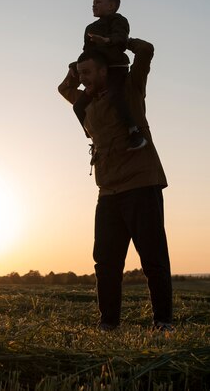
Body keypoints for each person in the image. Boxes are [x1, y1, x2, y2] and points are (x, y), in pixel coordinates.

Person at [58, 38, 173, 331]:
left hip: (141, 184)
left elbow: (146, 51)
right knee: (106, 263)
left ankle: (162, 321)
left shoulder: (129, 91)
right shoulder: (87, 101)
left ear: (104, 71)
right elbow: (64, 89)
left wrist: (120, 43)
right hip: (107, 191)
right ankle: (108, 323)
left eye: (87, 73)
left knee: (153, 258)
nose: (82, 80)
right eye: (80, 74)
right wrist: (74, 71)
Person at [72, 0, 146, 150]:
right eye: (93, 2)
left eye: (98, 2)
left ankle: (134, 131)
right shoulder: (90, 27)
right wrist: (78, 64)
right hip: (98, 72)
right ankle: (94, 137)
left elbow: (121, 38)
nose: (94, 5)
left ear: (111, 6)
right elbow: (87, 51)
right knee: (78, 106)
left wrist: (106, 40)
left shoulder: (119, 20)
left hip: (116, 68)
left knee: (114, 95)